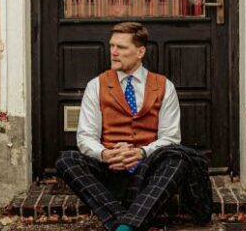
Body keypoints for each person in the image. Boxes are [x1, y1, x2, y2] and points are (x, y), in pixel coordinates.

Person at [56, 22, 211, 231]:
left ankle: (123, 225)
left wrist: (140, 152)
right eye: (112, 46)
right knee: (66, 160)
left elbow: (171, 137)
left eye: (121, 47)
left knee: (178, 157)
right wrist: (106, 154)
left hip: (147, 174)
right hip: (109, 172)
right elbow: (85, 137)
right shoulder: (96, 85)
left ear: (140, 51)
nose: (113, 52)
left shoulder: (164, 85)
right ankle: (127, 221)